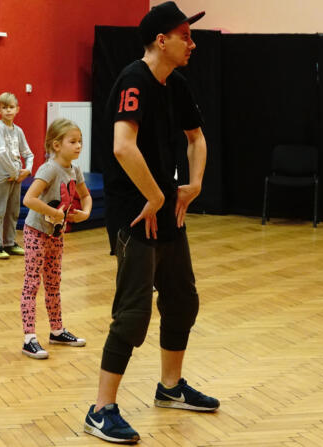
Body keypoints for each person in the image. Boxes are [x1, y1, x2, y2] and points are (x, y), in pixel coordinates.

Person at [84, 2, 218, 444]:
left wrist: (194, 185)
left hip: (166, 210)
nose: (192, 44)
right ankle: (100, 410)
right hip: (135, 213)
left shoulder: (175, 84)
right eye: (186, 36)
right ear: (162, 40)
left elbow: (197, 138)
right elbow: (123, 146)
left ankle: (170, 387)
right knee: (133, 313)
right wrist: (156, 195)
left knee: (182, 301)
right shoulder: (133, 80)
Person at [19, 118, 93, 359]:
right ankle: (29, 338)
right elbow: (29, 199)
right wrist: (54, 212)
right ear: (56, 145)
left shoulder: (75, 170)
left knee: (53, 284)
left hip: (56, 235)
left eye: (80, 141)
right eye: (73, 141)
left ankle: (57, 331)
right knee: (32, 284)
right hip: (36, 233)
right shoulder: (49, 169)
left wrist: (86, 213)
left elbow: (85, 196)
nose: (79, 146)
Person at [0, 92, 34, 260]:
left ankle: (9, 242)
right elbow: (0, 152)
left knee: (13, 211)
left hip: (16, 177)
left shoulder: (19, 131)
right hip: (4, 177)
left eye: (11, 107)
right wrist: (14, 173)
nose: (8, 110)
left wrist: (27, 170)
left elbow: (28, 153)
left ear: (17, 109)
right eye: (4, 107)